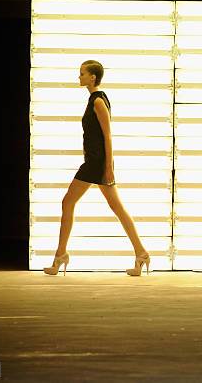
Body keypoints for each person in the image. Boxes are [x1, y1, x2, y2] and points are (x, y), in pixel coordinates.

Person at [43, 60, 151, 277]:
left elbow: (108, 136)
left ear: (93, 77)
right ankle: (141, 253)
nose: (79, 77)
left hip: (96, 163)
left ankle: (60, 255)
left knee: (68, 202)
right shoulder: (95, 99)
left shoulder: (99, 101)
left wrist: (109, 166)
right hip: (95, 162)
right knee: (116, 207)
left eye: (82, 73)